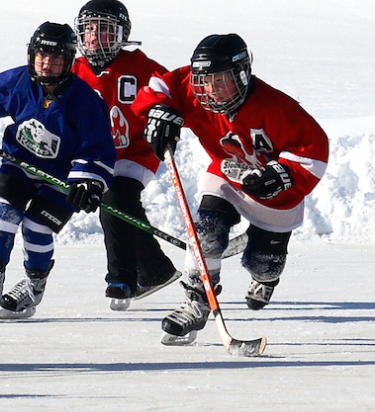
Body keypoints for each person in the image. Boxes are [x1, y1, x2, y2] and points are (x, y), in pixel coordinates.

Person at [134, 33, 329, 343]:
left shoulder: (277, 107)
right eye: (204, 81)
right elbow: (159, 86)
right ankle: (196, 303)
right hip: (226, 172)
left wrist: (282, 173)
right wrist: (158, 110)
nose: (210, 90)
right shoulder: (196, 89)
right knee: (206, 232)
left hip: (276, 193)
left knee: (263, 264)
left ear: (242, 74)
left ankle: (266, 278)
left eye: (220, 80)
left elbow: (314, 149)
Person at [0, 22, 116, 321]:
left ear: (69, 60)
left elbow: (97, 146)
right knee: (2, 212)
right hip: (19, 165)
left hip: (61, 176)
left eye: (56, 58)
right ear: (31, 55)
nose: (47, 64)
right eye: (41, 56)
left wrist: (89, 180)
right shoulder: (20, 81)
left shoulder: (85, 99)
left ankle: (34, 285)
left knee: (36, 227)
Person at [71, 0, 180, 311]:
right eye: (88, 29)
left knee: (116, 199)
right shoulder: (72, 71)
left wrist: (166, 112)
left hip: (135, 151)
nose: (94, 36)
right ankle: (155, 270)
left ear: (122, 34)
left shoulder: (139, 67)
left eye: (104, 29)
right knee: (120, 205)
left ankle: (122, 278)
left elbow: (172, 89)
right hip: (95, 157)